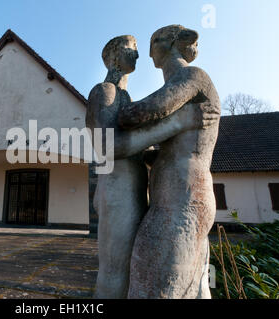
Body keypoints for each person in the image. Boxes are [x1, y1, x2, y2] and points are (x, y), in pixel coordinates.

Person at [87, 34, 218, 298]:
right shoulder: (104, 92)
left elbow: (135, 146)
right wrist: (178, 123)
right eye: (130, 48)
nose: (138, 55)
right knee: (115, 272)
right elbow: (110, 147)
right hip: (117, 193)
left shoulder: (124, 97)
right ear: (112, 54)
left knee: (129, 271)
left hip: (133, 192)